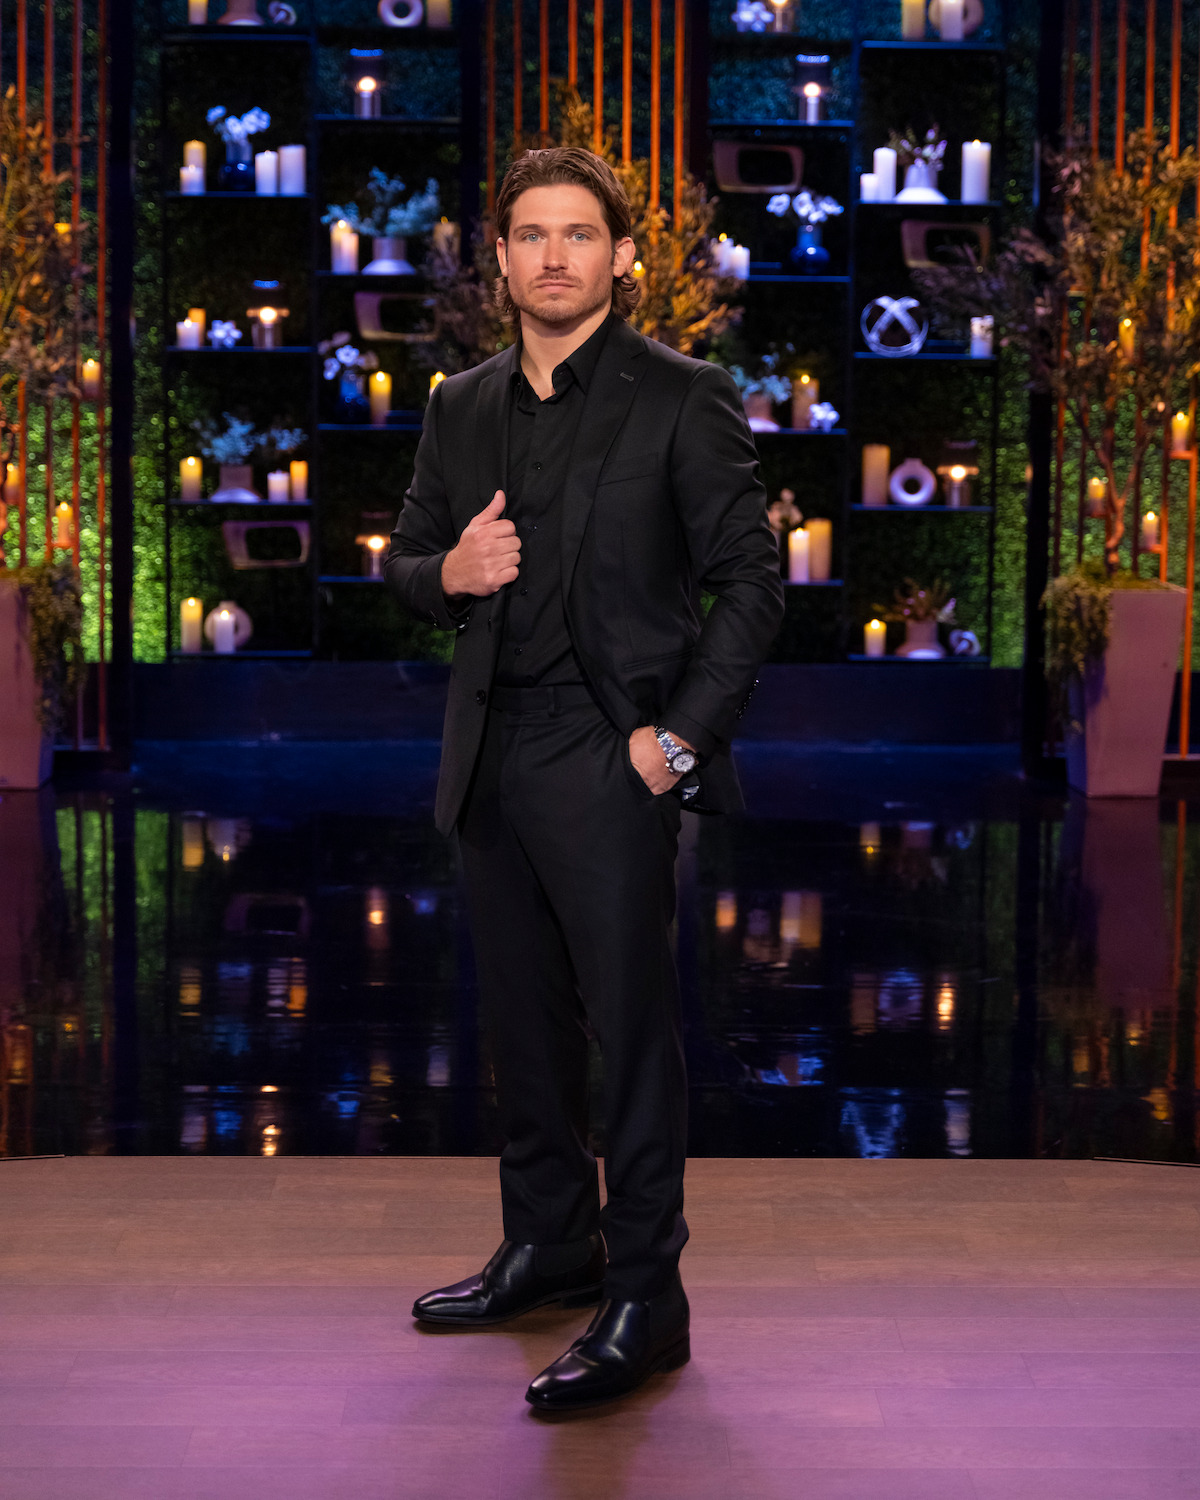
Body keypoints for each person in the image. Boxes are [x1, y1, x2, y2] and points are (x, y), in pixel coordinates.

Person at [385, 146, 783, 1412]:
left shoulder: (684, 394)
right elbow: (402, 563)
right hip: (491, 755)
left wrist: (675, 742)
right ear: (497, 259)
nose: (554, 255)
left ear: (621, 256)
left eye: (579, 234)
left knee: (630, 1043)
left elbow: (752, 582)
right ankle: (553, 1245)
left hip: (610, 758)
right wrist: (450, 574)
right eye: (530, 235)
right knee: (525, 1030)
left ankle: (647, 1300)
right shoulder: (460, 404)